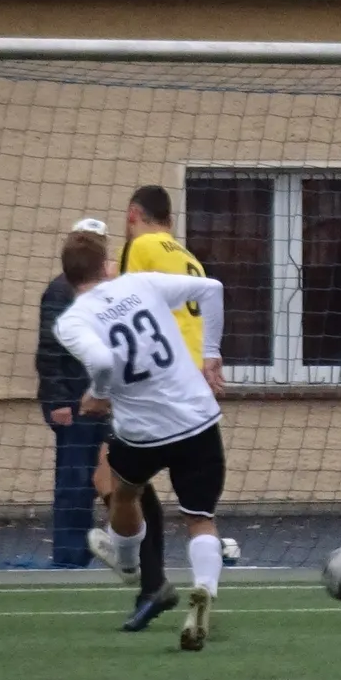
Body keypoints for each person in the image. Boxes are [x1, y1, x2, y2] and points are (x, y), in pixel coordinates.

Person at [52, 229, 231, 652]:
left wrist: (98, 393)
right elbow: (212, 289)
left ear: (68, 277)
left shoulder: (72, 321)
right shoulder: (140, 283)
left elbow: (100, 360)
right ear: (107, 265)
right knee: (200, 519)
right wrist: (211, 353)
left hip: (142, 432)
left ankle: (129, 563)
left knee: (125, 491)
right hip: (197, 418)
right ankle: (203, 590)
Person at [96, 185, 220, 632]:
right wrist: (211, 357)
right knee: (196, 511)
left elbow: (124, 310)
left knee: (113, 478)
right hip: (194, 391)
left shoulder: (140, 247)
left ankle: (141, 572)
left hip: (154, 387)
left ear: (134, 214)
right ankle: (186, 582)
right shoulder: (187, 257)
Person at [37, 216, 111, 568]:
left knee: (100, 478)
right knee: (74, 481)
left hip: (99, 401)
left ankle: (90, 551)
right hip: (75, 403)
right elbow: (49, 349)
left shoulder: (104, 291)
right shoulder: (60, 291)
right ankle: (69, 557)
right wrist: (59, 401)